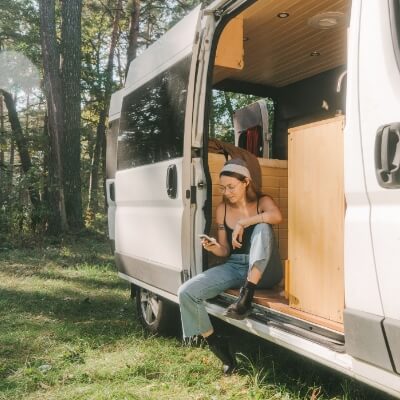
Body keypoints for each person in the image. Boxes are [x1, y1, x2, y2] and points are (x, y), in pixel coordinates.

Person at [178, 158, 283, 374]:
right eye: (222, 188)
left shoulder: (263, 201)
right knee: (187, 292)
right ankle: (219, 347)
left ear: (246, 182)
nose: (226, 192)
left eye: (231, 187)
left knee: (263, 227)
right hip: (236, 266)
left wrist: (244, 222)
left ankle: (246, 297)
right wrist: (214, 247)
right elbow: (226, 250)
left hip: (265, 270)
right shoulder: (223, 209)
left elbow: (277, 216)